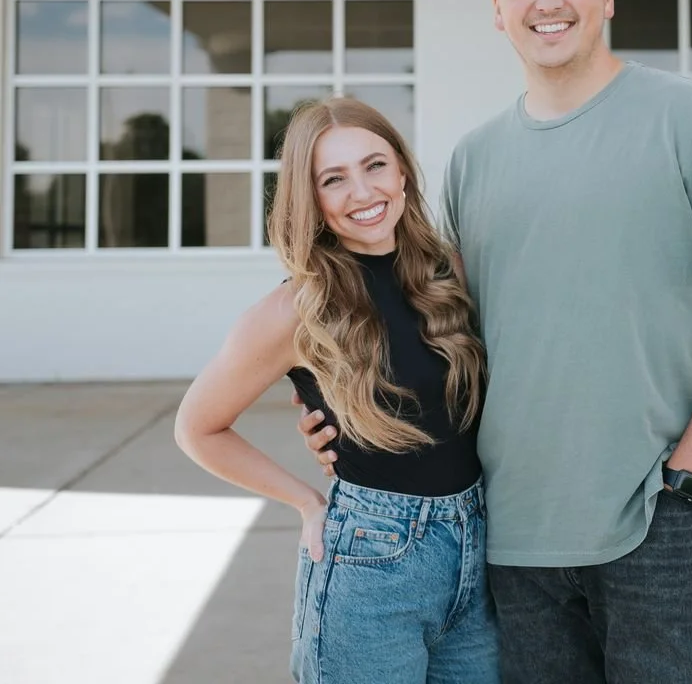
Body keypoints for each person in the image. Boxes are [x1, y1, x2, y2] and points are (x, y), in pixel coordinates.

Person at [298, 0, 692, 684]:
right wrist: (350, 411)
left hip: (656, 523)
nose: (548, 2)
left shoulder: (687, 118)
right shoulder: (475, 158)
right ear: (498, 10)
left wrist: (690, 480)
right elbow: (444, 329)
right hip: (510, 537)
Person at [175, 97, 500, 684]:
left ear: (402, 170)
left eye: (375, 165)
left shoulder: (449, 271)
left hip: (481, 549)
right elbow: (197, 427)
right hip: (371, 563)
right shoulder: (296, 307)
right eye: (334, 178)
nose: (363, 192)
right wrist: (307, 502)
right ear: (313, 200)